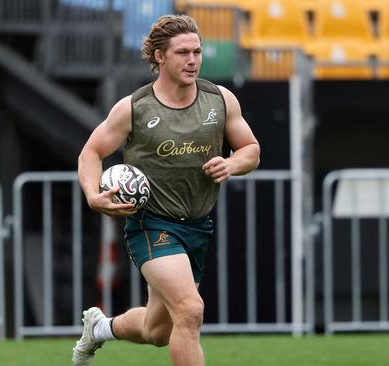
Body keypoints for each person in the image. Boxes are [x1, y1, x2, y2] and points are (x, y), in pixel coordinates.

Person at [73, 14, 260, 366]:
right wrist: (92, 195)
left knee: (157, 331)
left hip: (198, 225)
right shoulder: (134, 108)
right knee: (190, 310)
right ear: (160, 56)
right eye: (182, 53)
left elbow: (251, 149)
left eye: (197, 52)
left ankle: (101, 328)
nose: (192, 60)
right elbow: (91, 153)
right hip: (152, 225)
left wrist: (233, 163)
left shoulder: (220, 100)